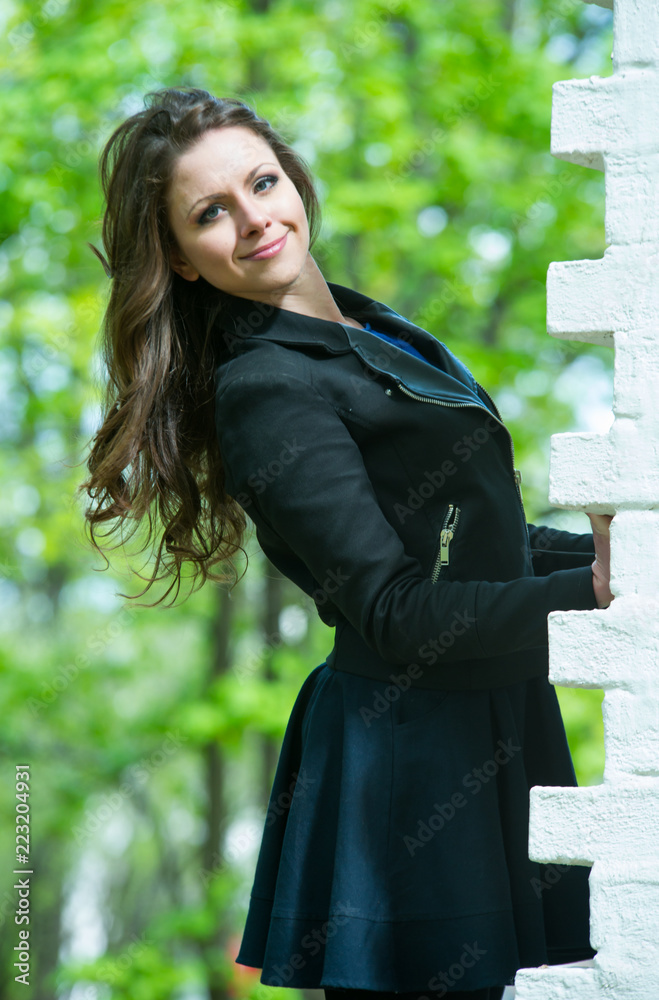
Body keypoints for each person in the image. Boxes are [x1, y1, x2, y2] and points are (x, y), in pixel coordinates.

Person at [83, 86, 613, 1000]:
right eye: (211, 213)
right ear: (182, 259)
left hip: (498, 723)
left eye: (262, 181)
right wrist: (590, 597)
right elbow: (396, 610)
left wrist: (610, 559)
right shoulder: (266, 388)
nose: (253, 219)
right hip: (413, 760)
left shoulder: (372, 330)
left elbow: (471, 538)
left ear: (293, 178)